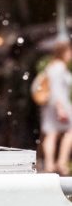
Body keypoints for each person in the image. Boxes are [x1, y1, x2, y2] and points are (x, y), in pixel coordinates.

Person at [41, 41, 72, 174]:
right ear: (63, 52)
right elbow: (57, 90)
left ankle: (49, 164)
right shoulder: (59, 67)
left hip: (50, 105)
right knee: (70, 132)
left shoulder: (51, 66)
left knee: (51, 133)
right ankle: (62, 162)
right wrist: (60, 108)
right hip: (60, 104)